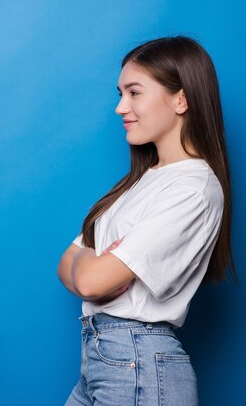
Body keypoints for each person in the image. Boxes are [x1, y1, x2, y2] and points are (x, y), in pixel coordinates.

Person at [57, 36, 236, 405]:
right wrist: (91, 268)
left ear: (181, 99)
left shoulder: (192, 189)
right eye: (120, 93)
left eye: (134, 92)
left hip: (135, 362)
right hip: (104, 359)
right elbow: (66, 265)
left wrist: (90, 266)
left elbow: (88, 279)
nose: (121, 107)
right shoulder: (139, 183)